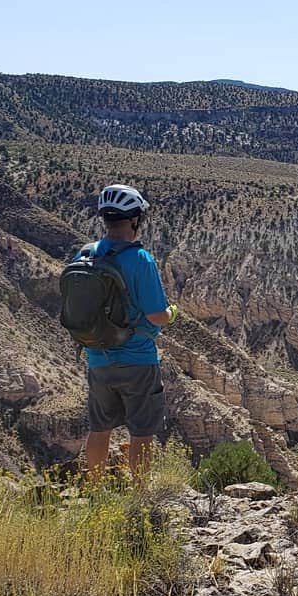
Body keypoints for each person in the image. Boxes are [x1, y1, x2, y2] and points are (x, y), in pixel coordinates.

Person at [78, 184, 179, 475]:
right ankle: (139, 496)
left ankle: (94, 488)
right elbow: (157, 316)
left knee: (99, 429)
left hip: (98, 359)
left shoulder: (86, 254)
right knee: (142, 432)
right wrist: (173, 313)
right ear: (135, 220)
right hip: (137, 360)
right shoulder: (140, 259)